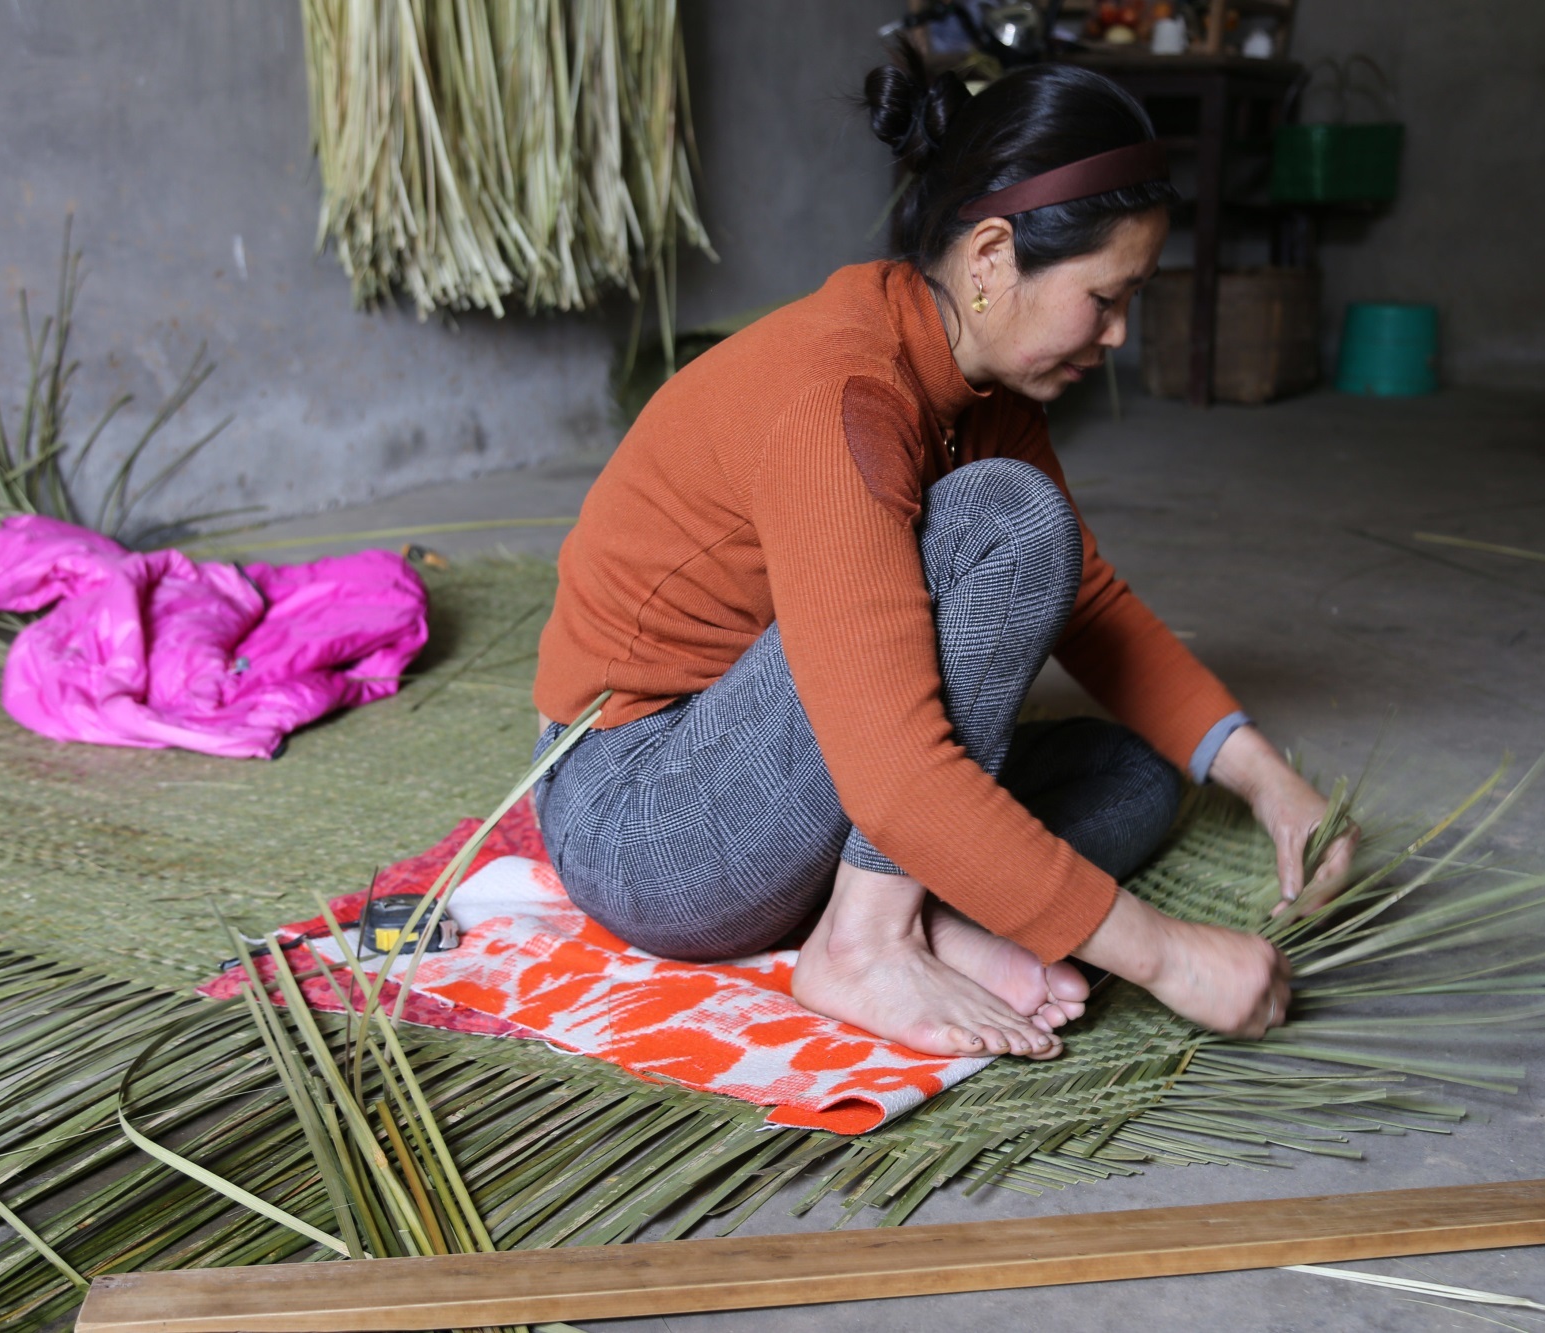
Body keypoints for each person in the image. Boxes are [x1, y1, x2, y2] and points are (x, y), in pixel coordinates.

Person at [530, 48, 1357, 1062]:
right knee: (1003, 523)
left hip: (788, 782)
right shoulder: (839, 398)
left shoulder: (979, 380)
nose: (1118, 335)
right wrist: (1171, 958)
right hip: (645, 815)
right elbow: (893, 777)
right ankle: (866, 938)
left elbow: (1087, 607)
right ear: (990, 259)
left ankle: (915, 914)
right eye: (1105, 297)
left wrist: (1268, 779)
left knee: (1136, 775)